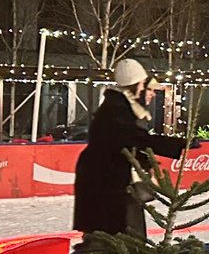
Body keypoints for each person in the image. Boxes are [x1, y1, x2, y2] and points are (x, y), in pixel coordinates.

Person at [73, 58, 191, 237]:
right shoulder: (116, 109)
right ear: (134, 86)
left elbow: (131, 143)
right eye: (145, 86)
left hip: (112, 184)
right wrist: (178, 144)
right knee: (116, 238)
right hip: (106, 186)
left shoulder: (123, 107)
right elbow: (135, 138)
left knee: (124, 235)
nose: (150, 93)